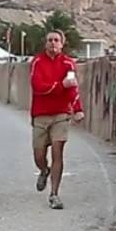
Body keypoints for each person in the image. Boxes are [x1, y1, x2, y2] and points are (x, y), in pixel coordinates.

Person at [29, 30, 84, 209]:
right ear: (45, 43)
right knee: (39, 154)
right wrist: (60, 86)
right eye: (50, 40)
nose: (53, 43)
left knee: (58, 151)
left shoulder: (68, 63)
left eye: (56, 40)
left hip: (61, 114)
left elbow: (72, 88)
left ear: (62, 43)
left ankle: (54, 194)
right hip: (41, 114)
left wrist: (77, 109)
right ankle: (44, 170)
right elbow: (38, 87)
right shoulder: (37, 62)